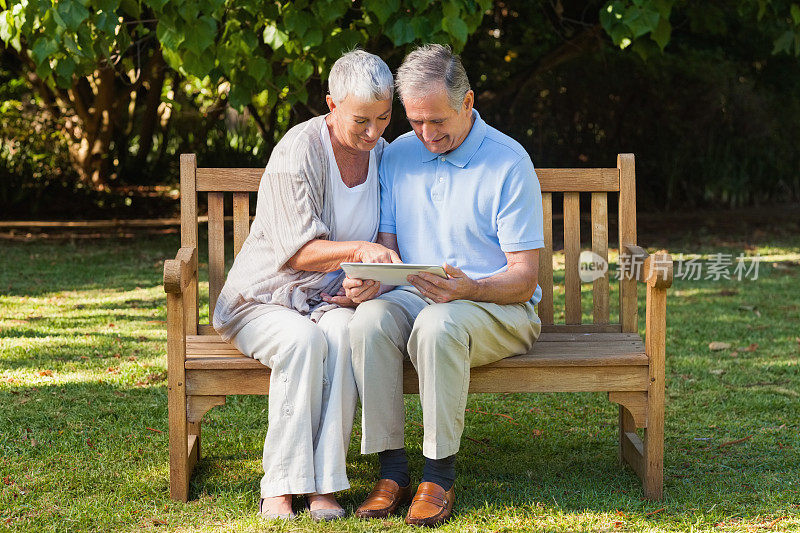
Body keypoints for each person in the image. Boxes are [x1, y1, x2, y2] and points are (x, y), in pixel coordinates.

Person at [344, 44, 544, 527]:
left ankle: (438, 476)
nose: (427, 135)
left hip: (499, 307)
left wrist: (470, 288)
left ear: (468, 103)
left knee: (438, 326)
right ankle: (391, 472)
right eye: (415, 122)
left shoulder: (508, 162)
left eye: (438, 121)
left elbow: (524, 279)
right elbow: (389, 245)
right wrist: (373, 282)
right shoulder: (399, 155)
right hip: (416, 296)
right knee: (369, 321)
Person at [212, 49, 399, 521]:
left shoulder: (382, 153)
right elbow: (296, 252)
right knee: (302, 341)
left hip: (327, 300)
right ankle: (280, 485)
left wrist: (370, 284)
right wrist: (359, 251)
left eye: (384, 117)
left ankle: (325, 485)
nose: (374, 133)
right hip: (263, 299)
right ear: (331, 105)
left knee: (341, 335)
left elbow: (383, 241)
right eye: (362, 120)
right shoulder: (298, 150)